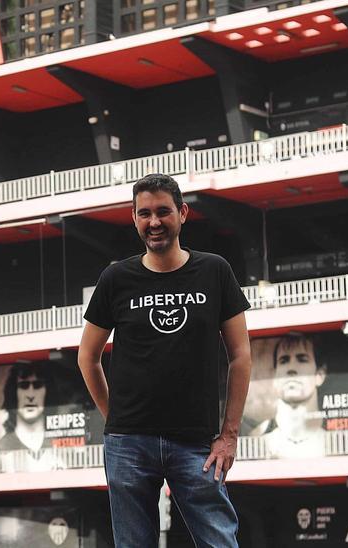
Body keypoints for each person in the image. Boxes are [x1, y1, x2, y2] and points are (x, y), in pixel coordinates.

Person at [78, 173, 253, 547]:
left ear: (183, 213)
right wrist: (116, 420)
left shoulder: (214, 270)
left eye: (163, 212)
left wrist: (229, 436)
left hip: (197, 442)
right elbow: (87, 357)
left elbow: (241, 356)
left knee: (219, 540)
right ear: (134, 218)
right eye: (144, 214)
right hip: (129, 443)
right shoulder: (116, 277)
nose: (154, 222)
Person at [0, 364, 64, 472]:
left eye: (37, 385)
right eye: (23, 386)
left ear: (48, 392)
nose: (30, 395)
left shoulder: (63, 448)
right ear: (13, 392)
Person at [261, 333, 327, 459]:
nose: (291, 368)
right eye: (284, 361)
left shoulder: (333, 444)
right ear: (274, 376)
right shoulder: (260, 445)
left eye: (302, 359)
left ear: (319, 375)